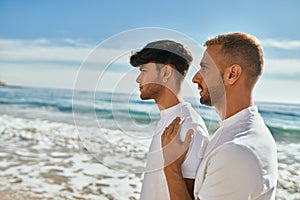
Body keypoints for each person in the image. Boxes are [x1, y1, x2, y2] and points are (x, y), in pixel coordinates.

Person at [161, 32, 278, 200]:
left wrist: (171, 167)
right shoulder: (244, 132)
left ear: (232, 74)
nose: (195, 78)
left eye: (205, 67)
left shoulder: (236, 152)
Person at [130, 40, 209, 200]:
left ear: (166, 72)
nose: (138, 79)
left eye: (144, 71)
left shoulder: (188, 127)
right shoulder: (169, 119)